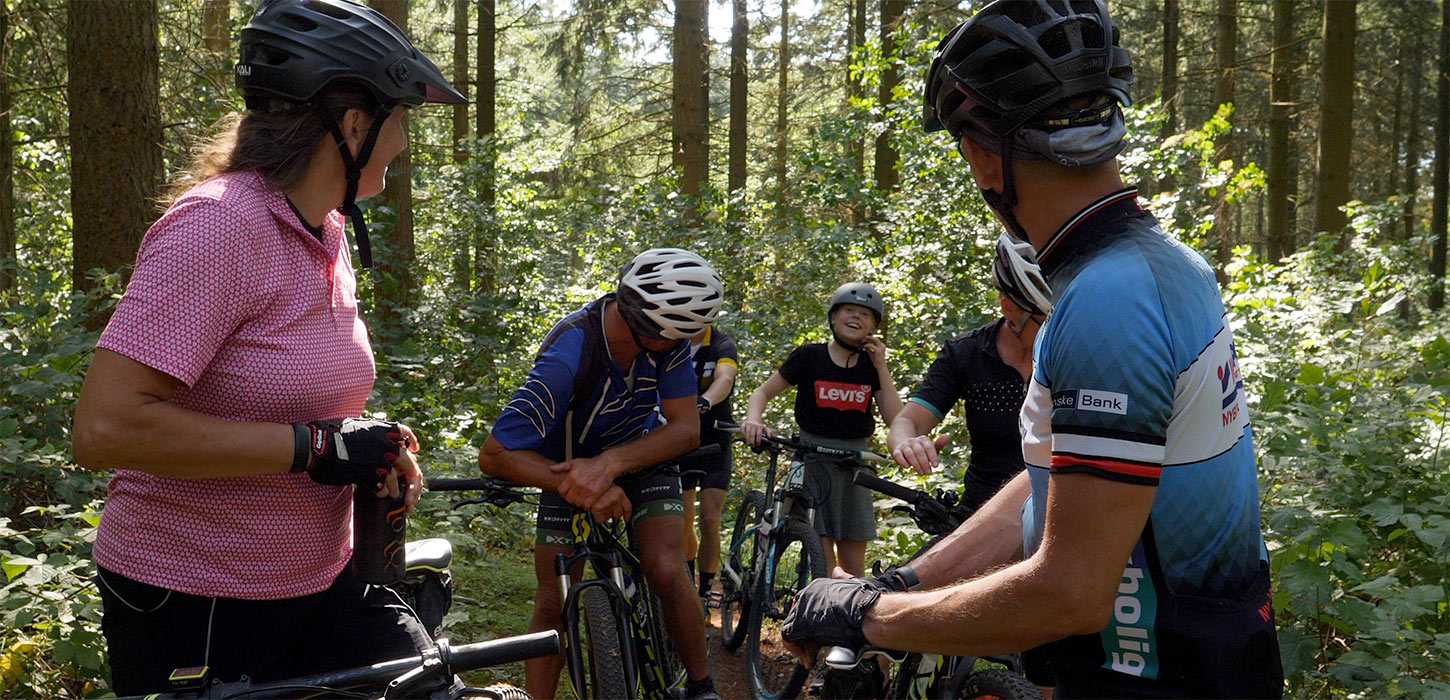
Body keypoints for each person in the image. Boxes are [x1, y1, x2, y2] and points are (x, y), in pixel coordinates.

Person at [781, 2, 1283, 698]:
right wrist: (903, 582)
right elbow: (1052, 484)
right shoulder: (1158, 266)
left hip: (1150, 677)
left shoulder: (1108, 299)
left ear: (981, 154)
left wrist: (872, 615)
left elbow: (1070, 593)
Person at [69, 0, 465, 694]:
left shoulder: (326, 230)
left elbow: (292, 389)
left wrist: (362, 445)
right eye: (399, 119)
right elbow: (106, 428)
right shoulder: (219, 229)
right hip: (199, 595)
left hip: (322, 577)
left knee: (430, 684)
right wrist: (313, 447)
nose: (403, 142)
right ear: (353, 124)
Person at [478, 248, 724, 700]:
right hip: (563, 464)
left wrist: (608, 465)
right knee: (553, 600)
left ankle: (702, 686)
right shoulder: (569, 355)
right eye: (677, 337)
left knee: (666, 568)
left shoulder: (667, 347)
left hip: (641, 457)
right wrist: (578, 482)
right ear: (646, 324)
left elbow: (686, 428)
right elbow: (495, 454)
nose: (683, 346)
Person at [741, 283, 904, 577]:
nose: (856, 317)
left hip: (854, 462)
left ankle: (845, 619)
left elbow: (897, 419)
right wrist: (754, 420)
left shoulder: (871, 365)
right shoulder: (808, 356)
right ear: (832, 317)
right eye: (849, 310)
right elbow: (762, 393)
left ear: (874, 325)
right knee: (826, 566)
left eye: (865, 314)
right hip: (812, 458)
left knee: (853, 568)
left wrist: (881, 366)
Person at [888, 233, 1052, 515]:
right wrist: (907, 443)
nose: (1057, 329)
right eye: (1045, 319)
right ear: (1010, 309)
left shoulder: (1071, 355)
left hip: (1053, 515)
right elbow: (908, 422)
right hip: (978, 516)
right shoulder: (967, 353)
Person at [678, 324, 740, 608]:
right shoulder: (670, 340)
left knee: (710, 520)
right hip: (680, 439)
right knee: (684, 518)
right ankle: (689, 588)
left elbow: (725, 379)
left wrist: (705, 401)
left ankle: (706, 588)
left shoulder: (721, 344)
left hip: (716, 437)